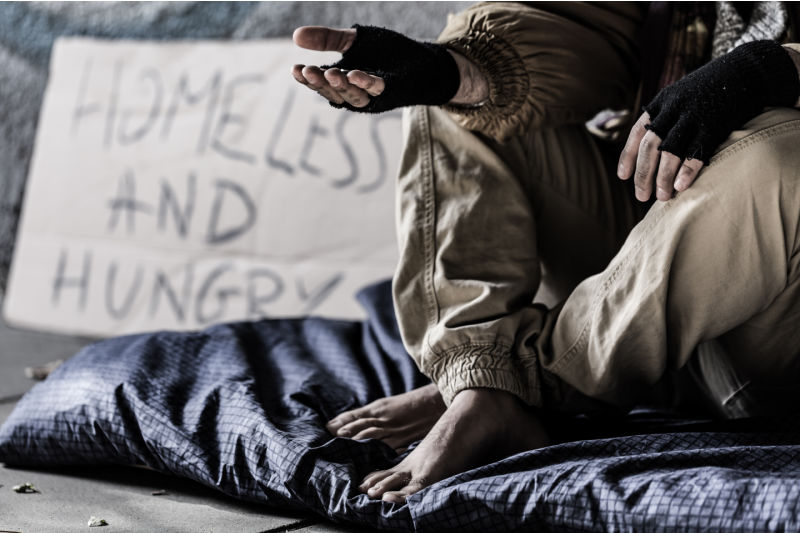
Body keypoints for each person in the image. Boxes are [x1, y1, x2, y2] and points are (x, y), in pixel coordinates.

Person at [291, 2, 800, 503]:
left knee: (777, 159)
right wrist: (456, 73)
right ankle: (481, 380)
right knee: (458, 104)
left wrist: (777, 68)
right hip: (638, 272)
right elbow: (592, 23)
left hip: (767, 330)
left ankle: (528, 384)